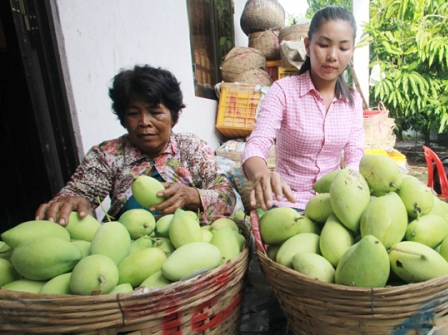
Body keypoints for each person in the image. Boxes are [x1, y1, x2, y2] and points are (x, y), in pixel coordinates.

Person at [36, 64, 237, 225]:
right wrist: (71, 203)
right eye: (133, 113)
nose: (144, 122)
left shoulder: (191, 147)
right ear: (123, 118)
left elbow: (226, 197)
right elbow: (77, 192)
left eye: (155, 112)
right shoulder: (108, 155)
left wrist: (191, 196)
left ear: (173, 116)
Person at [241, 6, 365, 211]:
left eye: (343, 48)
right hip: (285, 204)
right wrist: (262, 173)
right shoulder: (283, 91)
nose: (333, 56)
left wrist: (352, 187)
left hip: (332, 204)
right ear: (308, 46)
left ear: (351, 50)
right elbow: (257, 143)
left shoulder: (352, 100)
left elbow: (354, 154)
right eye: (324, 45)